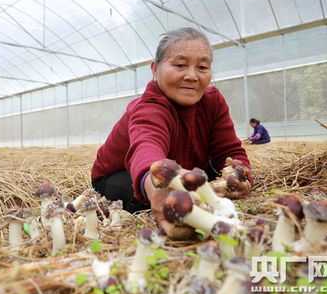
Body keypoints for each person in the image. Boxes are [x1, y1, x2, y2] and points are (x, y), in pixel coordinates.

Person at [91, 27, 252, 238]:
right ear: (154, 69)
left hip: (181, 167)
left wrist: (242, 176)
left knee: (201, 180)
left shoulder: (212, 101)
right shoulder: (148, 108)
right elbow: (146, 146)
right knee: (146, 198)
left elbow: (230, 151)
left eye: (202, 67)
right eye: (180, 65)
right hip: (122, 174)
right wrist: (155, 183)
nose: (192, 76)